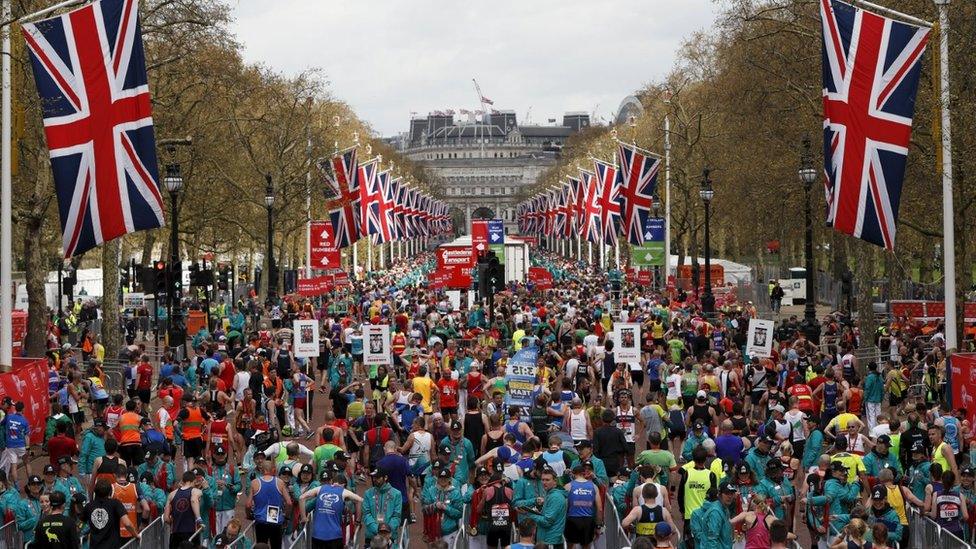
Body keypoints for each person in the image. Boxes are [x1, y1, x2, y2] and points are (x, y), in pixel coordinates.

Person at [299, 460, 363, 549]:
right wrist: (358, 520)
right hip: (334, 536)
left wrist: (303, 517)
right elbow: (360, 500)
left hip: (318, 535)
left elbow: (302, 498)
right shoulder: (343, 491)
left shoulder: (320, 488)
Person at [246, 459, 293, 549]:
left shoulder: (255, 483)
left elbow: (248, 504)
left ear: (262, 470)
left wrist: (249, 515)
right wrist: (286, 517)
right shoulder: (280, 482)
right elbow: (289, 503)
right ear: (273, 470)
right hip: (275, 519)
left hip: (261, 520)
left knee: (261, 547)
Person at [519, 468, 568, 549]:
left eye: (547, 480)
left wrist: (529, 514)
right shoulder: (550, 494)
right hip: (546, 541)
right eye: (542, 480)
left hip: (551, 542)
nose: (544, 483)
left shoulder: (555, 497)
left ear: (555, 481)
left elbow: (547, 521)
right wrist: (536, 512)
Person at [84, 479, 139, 548]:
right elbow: (127, 523)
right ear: (110, 491)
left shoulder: (89, 506)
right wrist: (136, 535)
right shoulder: (115, 504)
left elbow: (81, 524)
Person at [564, 463, 603, 549]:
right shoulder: (594, 486)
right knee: (586, 546)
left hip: (572, 519)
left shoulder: (568, 486)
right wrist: (598, 526)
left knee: (569, 546)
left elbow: (564, 507)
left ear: (573, 474)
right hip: (588, 521)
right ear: (583, 473)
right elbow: (599, 509)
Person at [689, 480, 736, 549]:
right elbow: (712, 539)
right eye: (726, 493)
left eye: (731, 493)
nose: (729, 496)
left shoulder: (724, 509)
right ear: (719, 494)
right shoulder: (715, 512)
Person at [364, 468, 403, 547]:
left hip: (389, 536)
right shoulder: (368, 493)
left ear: (385, 478)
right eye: (374, 477)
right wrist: (378, 530)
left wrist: (386, 531)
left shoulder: (396, 494)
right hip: (371, 536)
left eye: (377, 477)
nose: (374, 479)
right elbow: (366, 514)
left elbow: (397, 516)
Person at [164, 471, 203, 549]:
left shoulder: (172, 494)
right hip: (191, 532)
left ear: (183, 480)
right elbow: (193, 500)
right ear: (194, 481)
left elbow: (166, 518)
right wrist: (199, 519)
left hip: (175, 533)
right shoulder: (196, 491)